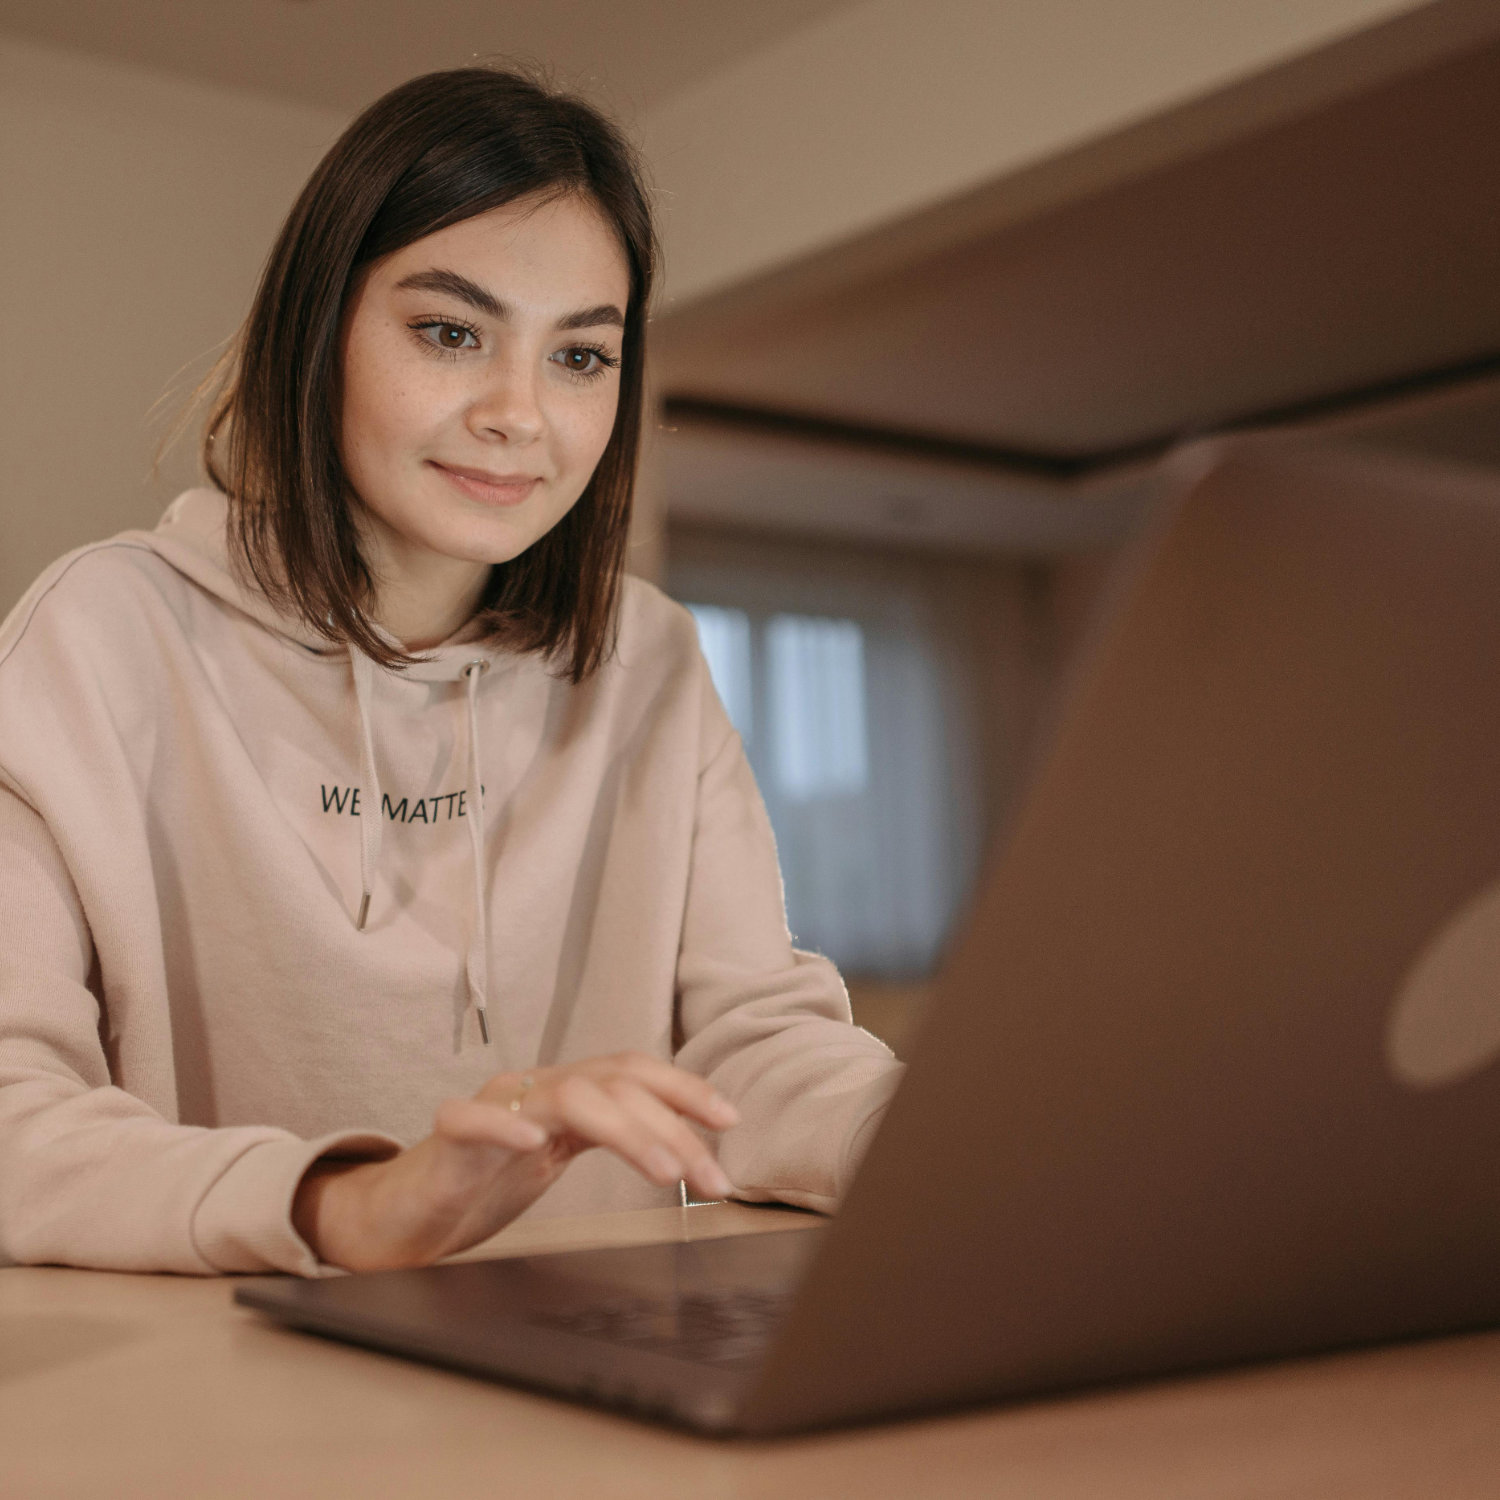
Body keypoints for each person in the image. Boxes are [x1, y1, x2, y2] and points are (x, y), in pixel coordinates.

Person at [0, 68, 901, 1277]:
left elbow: (753, 1047)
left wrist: (952, 1141)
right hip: (226, 1399)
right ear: (318, 333)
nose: (519, 413)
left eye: (581, 357)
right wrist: (349, 1206)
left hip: (592, 1385)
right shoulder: (99, 635)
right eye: (449, 332)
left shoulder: (648, 661)